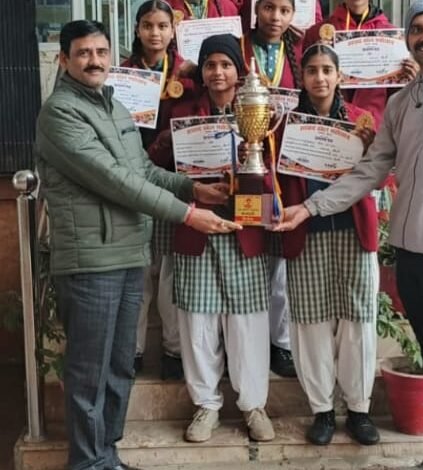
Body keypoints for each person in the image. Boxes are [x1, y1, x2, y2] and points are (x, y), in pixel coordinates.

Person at [274, 0, 423, 468]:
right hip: (409, 252)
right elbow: (371, 169)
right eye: (418, 28)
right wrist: (309, 207)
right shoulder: (404, 102)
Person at [36, 20, 240, 470]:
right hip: (91, 260)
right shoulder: (60, 114)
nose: (94, 61)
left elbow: (142, 171)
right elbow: (116, 181)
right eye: (83, 53)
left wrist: (192, 189)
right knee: (89, 371)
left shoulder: (114, 106)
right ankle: (87, 462)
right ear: (64, 60)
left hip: (129, 252)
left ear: (111, 56)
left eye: (101, 52)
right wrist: (187, 214)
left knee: (119, 367)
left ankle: (106, 455)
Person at [149, 33, 276, 443]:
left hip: (245, 228)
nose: (218, 72)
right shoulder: (183, 114)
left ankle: (253, 404)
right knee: (197, 321)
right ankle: (206, 405)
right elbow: (155, 166)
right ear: (201, 72)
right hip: (197, 226)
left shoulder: (260, 111)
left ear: (239, 71)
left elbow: (276, 172)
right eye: (209, 65)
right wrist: (173, 146)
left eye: (225, 64)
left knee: (247, 320)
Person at [277, 43, 379, 446]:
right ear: (301, 78)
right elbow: (276, 180)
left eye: (326, 70)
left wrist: (369, 146)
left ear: (340, 76)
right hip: (306, 234)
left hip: (354, 232)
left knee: (357, 322)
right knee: (311, 324)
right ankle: (321, 409)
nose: (319, 78)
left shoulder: (362, 121)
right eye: (312, 71)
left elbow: (382, 175)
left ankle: (358, 409)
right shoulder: (286, 125)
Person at [122, 0, 192, 380]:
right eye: (148, 25)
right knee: (137, 269)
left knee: (169, 273)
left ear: (173, 29)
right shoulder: (122, 74)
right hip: (131, 178)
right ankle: (131, 351)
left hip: (171, 180)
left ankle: (173, 351)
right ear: (137, 29)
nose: (155, 33)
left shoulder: (187, 74)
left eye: (162, 26)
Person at [240, 0, 303, 377]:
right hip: (246, 166)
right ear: (255, 9)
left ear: (293, 14)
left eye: (283, 9)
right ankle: (247, 343)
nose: (275, 17)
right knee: (249, 251)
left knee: (281, 260)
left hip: (287, 169)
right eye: (268, 7)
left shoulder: (299, 51)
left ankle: (280, 342)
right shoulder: (238, 46)